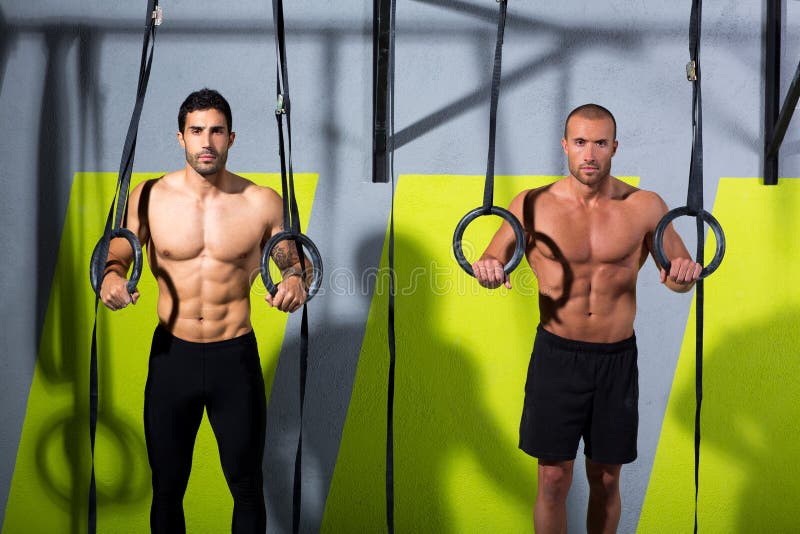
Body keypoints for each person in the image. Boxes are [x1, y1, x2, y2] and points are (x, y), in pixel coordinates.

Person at [472, 103, 701, 534]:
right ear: (565, 146)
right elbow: (491, 261)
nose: (589, 154)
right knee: (552, 479)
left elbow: (677, 279)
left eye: (599, 143)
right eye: (580, 142)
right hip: (557, 356)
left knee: (607, 479)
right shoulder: (532, 204)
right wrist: (487, 270)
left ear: (615, 147)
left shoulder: (646, 206)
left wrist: (684, 275)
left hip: (616, 359)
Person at [99, 88, 311, 533]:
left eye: (216, 131)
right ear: (181, 137)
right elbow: (116, 254)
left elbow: (296, 264)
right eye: (196, 131)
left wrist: (295, 281)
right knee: (167, 487)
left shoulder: (262, 201)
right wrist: (112, 277)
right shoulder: (149, 196)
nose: (207, 142)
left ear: (231, 138)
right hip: (172, 357)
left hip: (234, 358)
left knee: (247, 485)